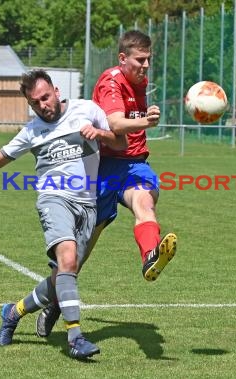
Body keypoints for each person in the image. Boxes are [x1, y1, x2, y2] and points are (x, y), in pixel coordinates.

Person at [0, 69, 127, 359]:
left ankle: (14, 312)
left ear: (56, 91)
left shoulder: (87, 109)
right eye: (35, 103)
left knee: (61, 277)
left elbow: (120, 143)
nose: (42, 105)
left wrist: (100, 133)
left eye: (45, 98)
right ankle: (75, 338)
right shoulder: (32, 131)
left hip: (87, 205)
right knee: (68, 260)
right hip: (54, 199)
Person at [35, 30, 177, 338]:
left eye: (149, 60)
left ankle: (151, 256)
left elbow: (129, 127)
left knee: (145, 204)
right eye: (140, 60)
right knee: (78, 256)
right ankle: (53, 304)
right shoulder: (111, 81)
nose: (146, 66)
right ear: (123, 59)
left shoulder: (140, 80)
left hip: (134, 164)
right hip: (100, 169)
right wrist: (146, 121)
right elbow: (114, 124)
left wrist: (145, 116)